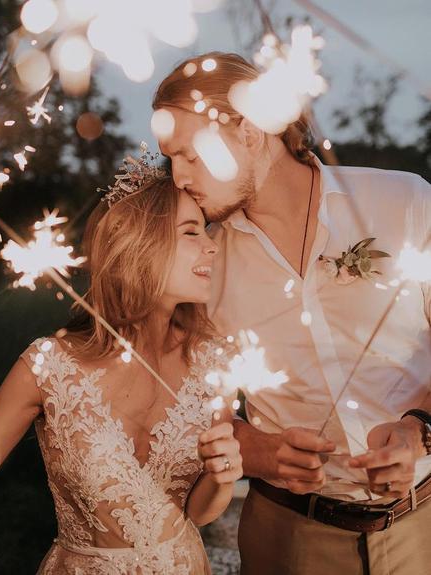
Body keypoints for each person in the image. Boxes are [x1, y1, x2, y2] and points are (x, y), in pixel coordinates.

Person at [153, 52, 431, 575]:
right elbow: (181, 410)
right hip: (289, 539)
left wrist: (421, 431)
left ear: (251, 131)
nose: (178, 176)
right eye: (171, 158)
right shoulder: (202, 265)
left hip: (426, 526)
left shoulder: (406, 204)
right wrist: (252, 447)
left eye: (189, 154)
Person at [0, 159, 243, 574]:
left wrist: (223, 478)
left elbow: (200, 512)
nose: (211, 245)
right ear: (138, 244)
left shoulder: (214, 363)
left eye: (206, 230)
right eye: (191, 231)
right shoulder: (49, 366)